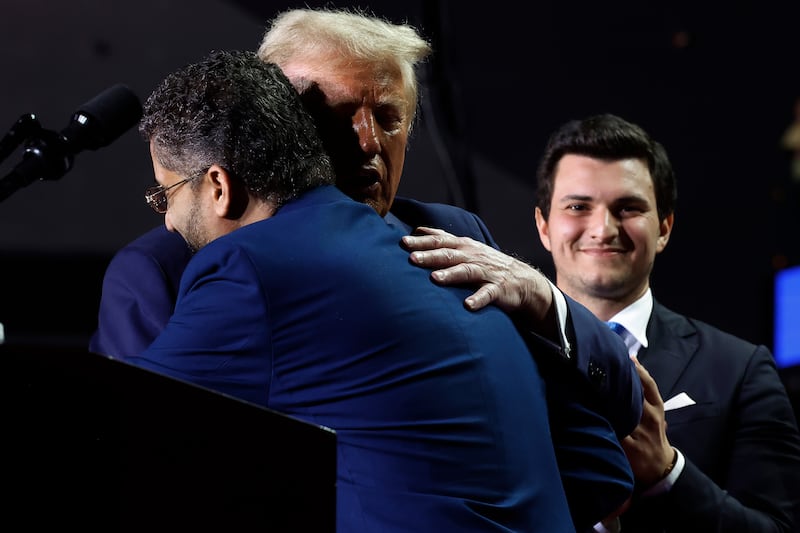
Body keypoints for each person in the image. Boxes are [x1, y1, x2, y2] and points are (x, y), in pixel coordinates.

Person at [90, 8, 642, 529]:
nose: (369, 142)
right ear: (272, 116)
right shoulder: (166, 266)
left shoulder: (457, 238)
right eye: (335, 114)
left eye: (388, 117)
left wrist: (549, 304)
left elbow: (603, 450)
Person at [403, 113, 800, 532]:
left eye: (627, 208)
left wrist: (669, 475)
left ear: (664, 227)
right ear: (543, 225)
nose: (603, 228)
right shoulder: (483, 352)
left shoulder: (740, 370)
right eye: (578, 207)